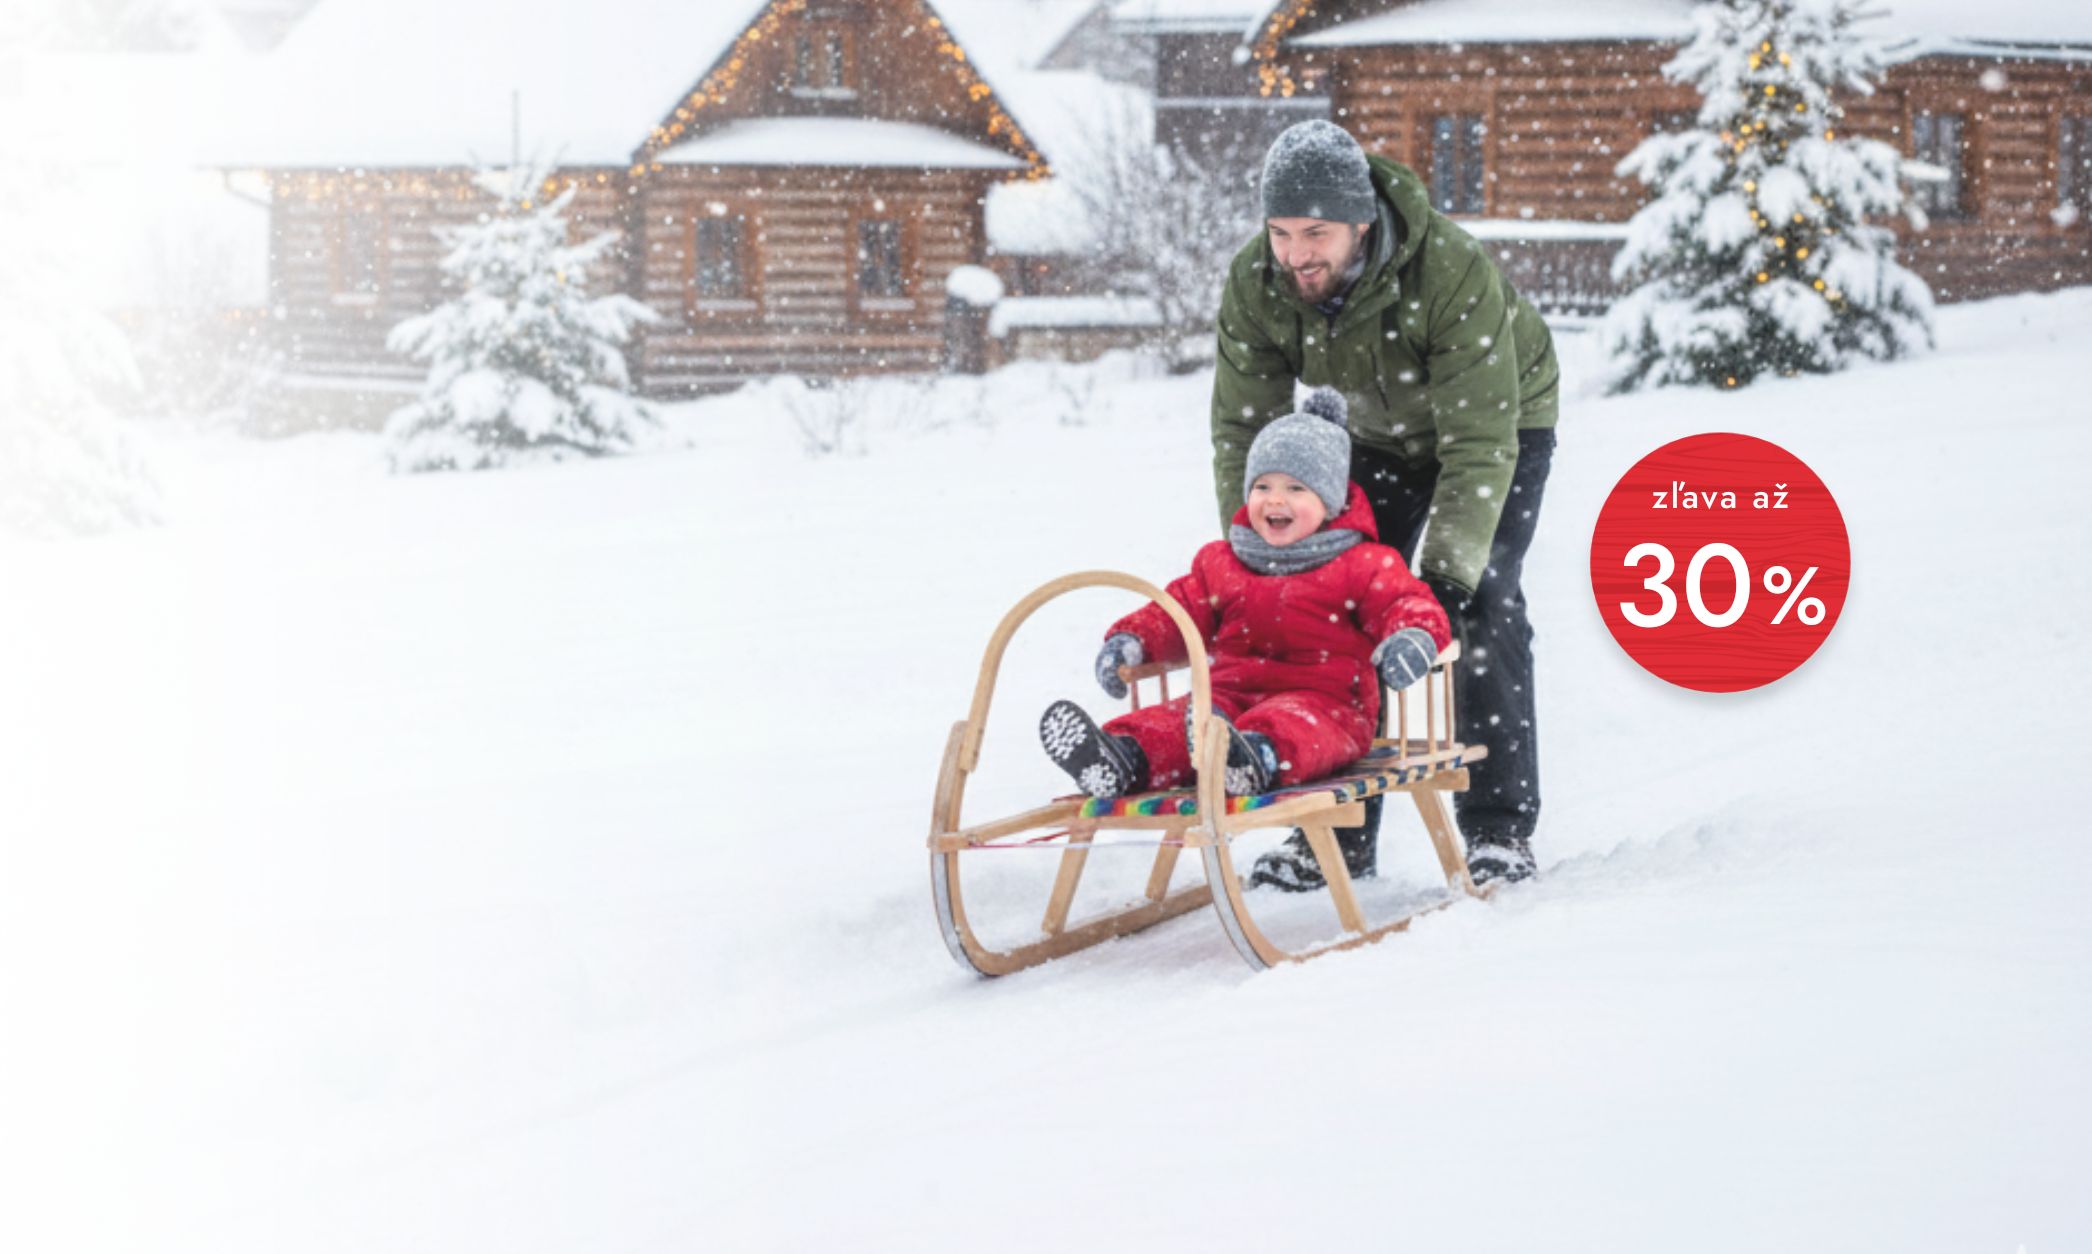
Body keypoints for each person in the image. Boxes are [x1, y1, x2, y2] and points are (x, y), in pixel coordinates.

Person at [1211, 119, 1562, 889]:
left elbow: (1479, 442)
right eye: (1281, 232)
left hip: (1502, 422)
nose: (1296, 253)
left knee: (1480, 598)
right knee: (1329, 602)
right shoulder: (1257, 283)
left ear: (1361, 224)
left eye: (1316, 233)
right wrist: (1260, 557)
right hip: (1372, 435)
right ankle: (1335, 836)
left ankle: (1499, 830)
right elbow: (1245, 431)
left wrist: (1443, 581)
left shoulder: (1448, 270)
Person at [1037, 388, 1450, 809]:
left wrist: (1413, 636)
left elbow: (1405, 602)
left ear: (1329, 503)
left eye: (1296, 488)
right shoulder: (1222, 563)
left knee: (1292, 727)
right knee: (1178, 723)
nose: (1275, 499)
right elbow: (1178, 612)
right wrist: (1132, 640)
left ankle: (1256, 757)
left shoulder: (1363, 564)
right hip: (1227, 700)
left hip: (1327, 704)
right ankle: (1121, 757)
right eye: (1262, 486)